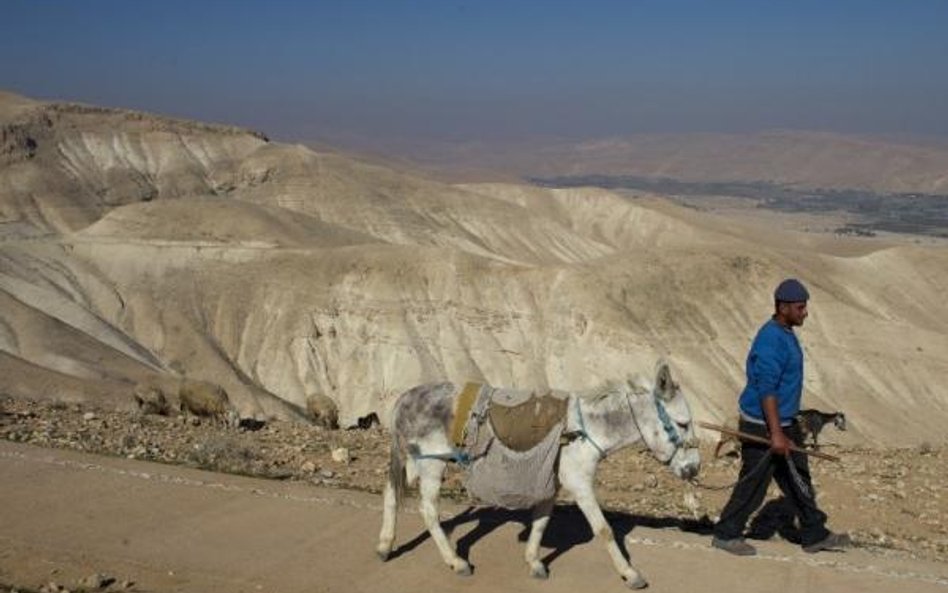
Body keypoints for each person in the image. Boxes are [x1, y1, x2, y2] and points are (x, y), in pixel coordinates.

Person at [711, 278, 851, 556]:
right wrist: (776, 434)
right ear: (783, 307)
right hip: (763, 425)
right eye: (800, 307)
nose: (805, 312)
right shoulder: (770, 340)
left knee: (799, 478)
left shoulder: (785, 333)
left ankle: (814, 534)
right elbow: (767, 391)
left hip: (784, 422)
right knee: (753, 483)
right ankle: (726, 534)